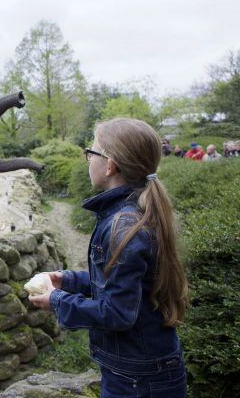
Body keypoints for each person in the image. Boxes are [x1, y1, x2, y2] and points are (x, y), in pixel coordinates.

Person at [29, 117, 189, 397]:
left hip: (138, 381)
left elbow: (117, 313)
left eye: (90, 152)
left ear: (110, 164)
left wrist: (56, 300)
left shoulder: (123, 227)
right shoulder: (131, 214)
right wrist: (66, 280)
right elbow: (123, 287)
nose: (87, 159)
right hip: (143, 370)